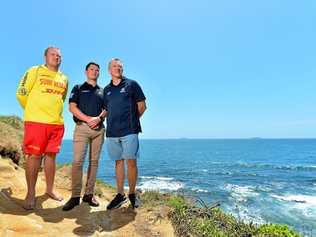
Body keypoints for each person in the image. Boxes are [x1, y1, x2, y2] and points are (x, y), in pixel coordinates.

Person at [16, 46, 68, 210]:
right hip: (36, 122)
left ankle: (50, 189)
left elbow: (62, 99)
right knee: (34, 157)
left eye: (59, 55)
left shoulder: (64, 78)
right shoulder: (34, 70)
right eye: (53, 54)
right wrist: (33, 111)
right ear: (45, 56)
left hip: (56, 124)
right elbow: (21, 92)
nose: (56, 57)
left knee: (51, 157)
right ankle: (31, 194)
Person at [104, 58, 146, 209]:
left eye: (120, 66)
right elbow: (106, 110)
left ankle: (133, 194)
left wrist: (132, 121)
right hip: (112, 133)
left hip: (130, 131)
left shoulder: (132, 84)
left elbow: (142, 106)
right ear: (109, 70)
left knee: (131, 162)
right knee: (118, 162)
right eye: (115, 66)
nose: (118, 68)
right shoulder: (106, 90)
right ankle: (120, 194)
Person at [63, 62, 105, 211]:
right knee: (77, 162)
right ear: (86, 72)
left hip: (99, 130)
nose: (94, 72)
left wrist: (99, 118)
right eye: (92, 69)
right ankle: (75, 197)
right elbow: (72, 107)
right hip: (81, 128)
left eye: (97, 70)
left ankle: (89, 194)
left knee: (94, 162)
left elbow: (106, 109)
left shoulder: (103, 91)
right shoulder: (78, 88)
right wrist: (89, 119)